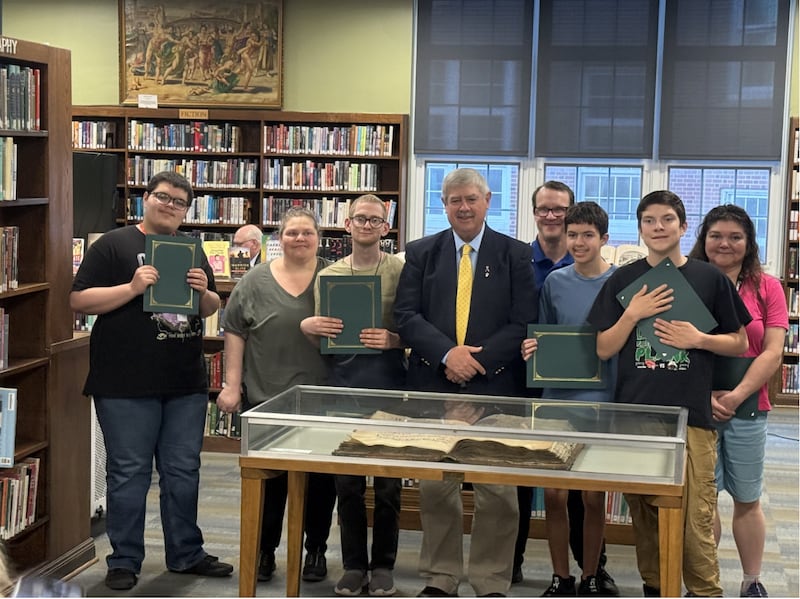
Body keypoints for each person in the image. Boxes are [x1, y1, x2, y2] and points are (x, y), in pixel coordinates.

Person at [70, 171, 233, 591]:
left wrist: (205, 292)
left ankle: (186, 553)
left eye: (179, 202)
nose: (170, 205)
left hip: (184, 381)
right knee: (129, 473)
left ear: (186, 210)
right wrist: (131, 287)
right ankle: (124, 560)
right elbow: (79, 299)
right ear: (146, 198)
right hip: (124, 382)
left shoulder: (191, 247)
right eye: (163, 197)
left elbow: (209, 305)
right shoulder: (113, 244)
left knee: (184, 470)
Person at [587, 190, 751, 597]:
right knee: (645, 515)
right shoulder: (623, 280)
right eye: (649, 221)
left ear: (683, 226)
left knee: (695, 518)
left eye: (667, 220)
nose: (658, 228)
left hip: (691, 416)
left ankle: (704, 591)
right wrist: (632, 314)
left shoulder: (709, 278)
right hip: (635, 415)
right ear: (640, 228)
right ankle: (656, 587)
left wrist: (699, 339)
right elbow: (604, 348)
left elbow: (740, 342)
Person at [394, 167, 537, 597]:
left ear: (487, 201)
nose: (464, 207)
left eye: (471, 199)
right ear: (444, 205)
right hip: (434, 385)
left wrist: (475, 363)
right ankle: (440, 578)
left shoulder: (515, 254)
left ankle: (491, 581)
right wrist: (448, 355)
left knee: (498, 490)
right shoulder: (421, 252)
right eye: (455, 200)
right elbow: (406, 316)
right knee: (437, 487)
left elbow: (523, 322)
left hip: (496, 387)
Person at [216, 207, 336, 585]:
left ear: (318, 238)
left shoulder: (334, 277)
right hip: (267, 398)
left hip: (322, 400)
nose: (299, 239)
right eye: (291, 232)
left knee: (321, 483)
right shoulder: (254, 281)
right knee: (270, 483)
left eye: (307, 232)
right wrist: (231, 385)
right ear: (278, 239)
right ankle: (264, 551)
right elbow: (234, 331)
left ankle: (315, 549)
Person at [300, 194, 406, 597]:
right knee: (347, 484)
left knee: (388, 486)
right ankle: (353, 565)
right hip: (343, 386)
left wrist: (394, 339)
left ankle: (383, 566)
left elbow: (414, 328)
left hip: (390, 385)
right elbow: (323, 341)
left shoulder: (400, 271)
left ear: (385, 227)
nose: (366, 225)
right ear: (347, 224)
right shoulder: (328, 276)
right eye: (360, 218)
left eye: (375, 220)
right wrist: (310, 328)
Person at [516, 182, 617, 597]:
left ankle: (591, 574)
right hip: (556, 399)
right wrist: (531, 348)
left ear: (604, 238)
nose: (578, 242)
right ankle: (561, 576)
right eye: (573, 234)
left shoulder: (620, 282)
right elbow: (542, 334)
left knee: (593, 497)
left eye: (587, 235)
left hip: (601, 401)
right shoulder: (555, 282)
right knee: (555, 495)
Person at [689, 205, 788, 598]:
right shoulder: (688, 282)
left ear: (749, 243)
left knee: (747, 498)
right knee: (704, 500)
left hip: (748, 406)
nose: (725, 244)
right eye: (716, 235)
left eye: (735, 237)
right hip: (697, 406)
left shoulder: (768, 287)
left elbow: (772, 351)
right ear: (704, 239)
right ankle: (704, 581)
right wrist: (702, 394)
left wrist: (736, 395)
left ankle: (752, 581)